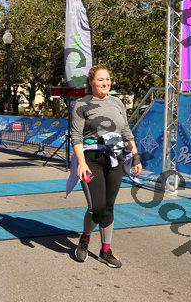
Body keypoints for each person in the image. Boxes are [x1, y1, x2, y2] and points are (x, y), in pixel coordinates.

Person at [70, 65, 142, 268]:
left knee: (108, 207)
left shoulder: (117, 102)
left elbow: (126, 131)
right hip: (91, 160)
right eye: (101, 79)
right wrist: (81, 162)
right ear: (91, 82)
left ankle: (105, 251)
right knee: (97, 207)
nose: (105, 83)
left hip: (114, 159)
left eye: (108, 79)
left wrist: (136, 156)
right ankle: (85, 238)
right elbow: (76, 136)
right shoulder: (81, 104)